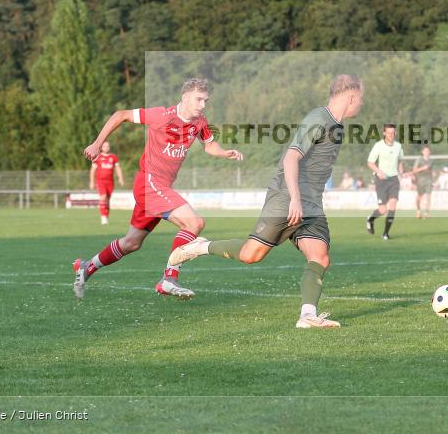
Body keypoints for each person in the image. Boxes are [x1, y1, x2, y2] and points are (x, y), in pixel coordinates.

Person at [166, 75, 364, 328]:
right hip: (287, 197)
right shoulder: (318, 119)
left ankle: (307, 316)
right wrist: (294, 198)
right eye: (361, 98)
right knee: (252, 254)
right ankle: (201, 246)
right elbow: (291, 158)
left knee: (320, 257)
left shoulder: (336, 125)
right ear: (351, 97)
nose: (362, 103)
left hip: (311, 203)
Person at [72, 78, 243, 300]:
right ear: (185, 97)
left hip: (159, 187)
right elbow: (120, 115)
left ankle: (86, 267)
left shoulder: (200, 121)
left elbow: (209, 145)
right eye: (199, 99)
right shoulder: (162, 115)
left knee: (131, 243)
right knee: (194, 222)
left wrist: (224, 152)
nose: (202, 105)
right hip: (149, 184)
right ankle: (169, 278)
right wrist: (97, 144)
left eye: (206, 101)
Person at [365, 124, 405, 240]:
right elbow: (370, 162)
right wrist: (378, 172)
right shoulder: (378, 146)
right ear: (384, 133)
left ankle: (386, 233)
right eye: (388, 133)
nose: (391, 135)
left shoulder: (398, 146)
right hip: (381, 180)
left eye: (393, 133)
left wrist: (402, 171)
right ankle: (370, 219)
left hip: (393, 179)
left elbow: (400, 161)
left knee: (393, 205)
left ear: (395, 133)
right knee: (383, 209)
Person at [89, 141, 125, 225]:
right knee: (103, 197)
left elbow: (118, 168)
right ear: (101, 147)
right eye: (104, 146)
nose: (106, 147)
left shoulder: (113, 157)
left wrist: (121, 178)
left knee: (108, 200)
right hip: (100, 181)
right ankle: (103, 217)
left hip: (110, 181)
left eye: (108, 146)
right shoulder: (98, 157)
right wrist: (92, 182)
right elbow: (93, 170)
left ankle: (106, 216)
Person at [412, 146, 433, 218]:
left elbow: (430, 171)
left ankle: (427, 213)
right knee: (419, 197)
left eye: (428, 151)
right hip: (420, 180)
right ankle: (418, 211)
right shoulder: (419, 160)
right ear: (423, 152)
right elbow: (414, 170)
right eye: (425, 151)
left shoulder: (431, 160)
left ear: (429, 152)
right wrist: (423, 168)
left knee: (428, 196)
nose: (427, 152)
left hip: (429, 180)